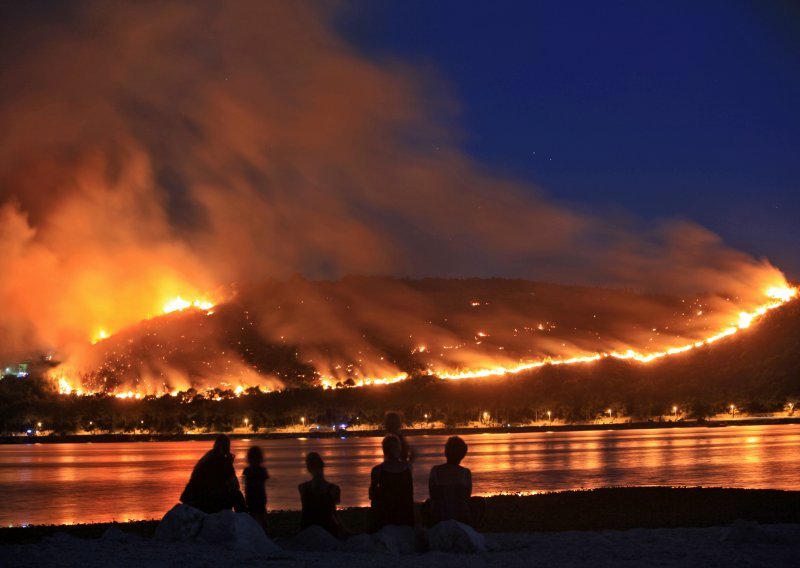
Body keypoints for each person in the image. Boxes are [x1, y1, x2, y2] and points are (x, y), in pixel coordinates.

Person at [180, 434, 245, 513]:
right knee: (237, 495)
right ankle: (244, 519)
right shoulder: (223, 461)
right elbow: (235, 485)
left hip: (193, 497)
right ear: (226, 448)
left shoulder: (207, 457)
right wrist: (229, 463)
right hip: (208, 500)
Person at [425, 436, 474, 526]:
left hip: (439, 516)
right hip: (460, 516)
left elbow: (432, 494)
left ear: (446, 452)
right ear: (462, 455)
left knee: (427, 504)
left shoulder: (435, 470)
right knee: (479, 502)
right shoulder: (465, 473)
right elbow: (467, 496)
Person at [369, 435, 414, 530]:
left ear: (384, 450)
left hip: (386, 515)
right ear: (399, 449)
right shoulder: (408, 468)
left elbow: (371, 494)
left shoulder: (377, 470)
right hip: (405, 515)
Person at [298, 452, 344, 537]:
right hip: (320, 528)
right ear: (323, 466)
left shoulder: (302, 488)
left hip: (312, 528)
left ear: (308, 469)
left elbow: (304, 512)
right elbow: (333, 511)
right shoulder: (333, 489)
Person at [243, 445, 270, 531]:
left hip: (251, 498)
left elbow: (246, 484)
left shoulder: (247, 470)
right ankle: (264, 532)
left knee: (253, 517)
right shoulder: (262, 470)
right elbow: (265, 478)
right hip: (260, 498)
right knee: (262, 517)